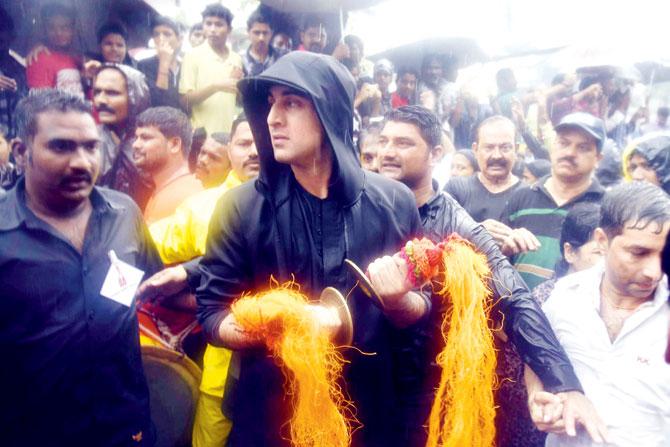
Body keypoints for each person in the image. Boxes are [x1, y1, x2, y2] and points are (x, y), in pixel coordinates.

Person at [197, 51, 428, 446]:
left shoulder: (394, 201)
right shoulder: (239, 207)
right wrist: (280, 322)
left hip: (370, 415)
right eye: (270, 103)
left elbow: (425, 303)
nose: (272, 118)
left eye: (292, 103)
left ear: (329, 111)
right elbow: (212, 314)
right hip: (272, 416)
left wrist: (401, 302)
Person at [377, 105, 596, 447]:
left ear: (436, 153)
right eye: (383, 141)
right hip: (367, 379)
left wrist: (563, 381)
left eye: (403, 143)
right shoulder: (359, 207)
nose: (388, 152)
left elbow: (515, 298)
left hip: (432, 385)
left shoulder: (456, 223)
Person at [0, 88, 163, 445]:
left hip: (127, 430)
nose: (82, 162)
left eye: (91, 147)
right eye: (61, 147)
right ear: (21, 151)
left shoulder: (125, 214)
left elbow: (157, 285)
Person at [139, 113, 259, 447]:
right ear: (231, 149)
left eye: (259, 140)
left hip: (289, 370)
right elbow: (137, 243)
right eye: (244, 142)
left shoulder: (307, 202)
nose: (254, 151)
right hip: (222, 365)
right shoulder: (203, 207)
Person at [528, 182, 670, 446]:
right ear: (603, 241)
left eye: (662, 254)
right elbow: (538, 351)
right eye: (638, 253)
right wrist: (538, 396)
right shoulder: (565, 296)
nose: (653, 271)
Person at [502, 112, 606, 289]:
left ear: (598, 158)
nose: (570, 153)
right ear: (552, 147)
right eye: (563, 143)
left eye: (583, 147)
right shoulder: (522, 197)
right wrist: (504, 248)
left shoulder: (606, 208)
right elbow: (496, 259)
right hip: (519, 312)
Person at [445, 116, 524, 247]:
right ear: (475, 150)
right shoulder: (457, 188)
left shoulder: (528, 195)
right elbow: (433, 232)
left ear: (515, 149)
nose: (497, 155)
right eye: (489, 148)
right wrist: (474, 232)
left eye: (505, 148)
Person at [93, 64, 153, 208]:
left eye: (112, 93)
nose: (100, 100)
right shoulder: (88, 140)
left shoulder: (155, 142)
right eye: (97, 92)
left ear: (135, 97)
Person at [180, 4, 243, 135]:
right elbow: (185, 101)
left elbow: (237, 100)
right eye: (208, 24)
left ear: (229, 29)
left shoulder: (236, 58)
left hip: (227, 134)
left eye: (219, 25)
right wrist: (216, 86)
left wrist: (240, 87)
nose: (212, 29)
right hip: (201, 134)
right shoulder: (192, 55)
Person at [133, 106, 203, 224]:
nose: (135, 144)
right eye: (136, 137)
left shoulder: (181, 197)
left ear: (174, 144)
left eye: (145, 138)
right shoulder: (171, 187)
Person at [532, 202, 603, 304]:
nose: (606, 262)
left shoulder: (614, 301)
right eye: (598, 253)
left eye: (610, 253)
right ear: (570, 252)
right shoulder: (545, 298)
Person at [26, 2, 84, 96]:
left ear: (73, 30)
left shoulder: (77, 58)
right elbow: (41, 103)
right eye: (51, 27)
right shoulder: (39, 58)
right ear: (45, 30)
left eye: (64, 27)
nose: (58, 33)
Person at [138, 16, 184, 109]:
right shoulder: (144, 65)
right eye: (156, 34)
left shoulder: (185, 66)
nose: (161, 39)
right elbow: (158, 102)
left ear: (179, 40)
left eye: (167, 34)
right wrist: (164, 63)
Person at [0, 6, 28, 140]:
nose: (1, 47)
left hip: (14, 146)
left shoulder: (18, 69)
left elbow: (25, 112)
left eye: (3, 42)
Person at [242, 10, 283, 77]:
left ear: (271, 33)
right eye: (256, 33)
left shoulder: (281, 57)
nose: (261, 38)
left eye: (265, 33)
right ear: (248, 32)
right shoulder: (241, 61)